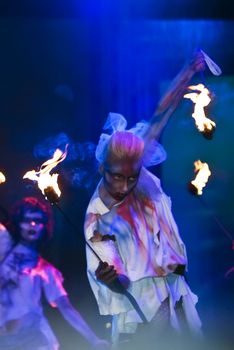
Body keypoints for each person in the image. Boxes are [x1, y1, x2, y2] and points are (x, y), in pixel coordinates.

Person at [84, 53, 206, 347]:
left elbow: (161, 114)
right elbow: (118, 280)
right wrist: (110, 278)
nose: (125, 185)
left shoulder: (138, 173)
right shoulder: (98, 217)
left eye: (132, 176)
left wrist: (187, 72)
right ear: (102, 168)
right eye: (116, 177)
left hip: (176, 294)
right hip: (142, 315)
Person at [0, 163, 108, 350]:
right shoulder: (4, 244)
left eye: (38, 221)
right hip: (3, 341)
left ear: (44, 227)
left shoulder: (45, 270)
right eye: (27, 220)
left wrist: (94, 339)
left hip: (35, 339)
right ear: (18, 222)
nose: (32, 225)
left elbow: (66, 308)